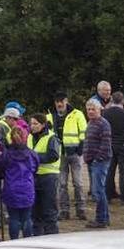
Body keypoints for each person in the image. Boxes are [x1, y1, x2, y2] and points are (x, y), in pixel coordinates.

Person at [47, 92, 89, 221]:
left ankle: (81, 209)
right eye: (57, 102)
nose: (59, 104)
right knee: (62, 184)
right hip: (59, 155)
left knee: (78, 183)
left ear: (66, 101)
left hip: (75, 153)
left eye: (62, 101)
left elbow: (84, 131)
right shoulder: (49, 116)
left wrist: (81, 147)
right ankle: (64, 210)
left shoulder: (77, 114)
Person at [0, 126, 38, 239]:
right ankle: (28, 240)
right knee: (27, 217)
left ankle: (14, 241)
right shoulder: (31, 154)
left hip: (11, 188)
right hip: (27, 188)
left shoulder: (6, 154)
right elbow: (35, 168)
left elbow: (0, 169)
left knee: (13, 218)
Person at [27, 113, 61, 236]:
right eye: (31, 123)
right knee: (35, 211)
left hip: (49, 177)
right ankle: (37, 237)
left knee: (49, 210)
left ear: (43, 124)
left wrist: (34, 157)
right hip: (34, 176)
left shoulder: (52, 137)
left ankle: (51, 236)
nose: (33, 126)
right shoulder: (30, 137)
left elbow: (54, 155)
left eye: (35, 123)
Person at [103, 92, 124, 205]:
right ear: (123, 101)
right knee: (123, 172)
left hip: (109, 144)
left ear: (112, 100)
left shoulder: (105, 113)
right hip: (123, 144)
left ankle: (108, 195)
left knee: (110, 171)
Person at [83, 98, 113, 228]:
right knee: (98, 191)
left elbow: (106, 144)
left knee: (98, 191)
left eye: (93, 109)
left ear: (99, 109)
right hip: (92, 161)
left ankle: (101, 219)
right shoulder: (91, 123)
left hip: (100, 161)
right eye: (88, 109)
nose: (90, 111)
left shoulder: (103, 124)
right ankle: (104, 218)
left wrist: (97, 158)